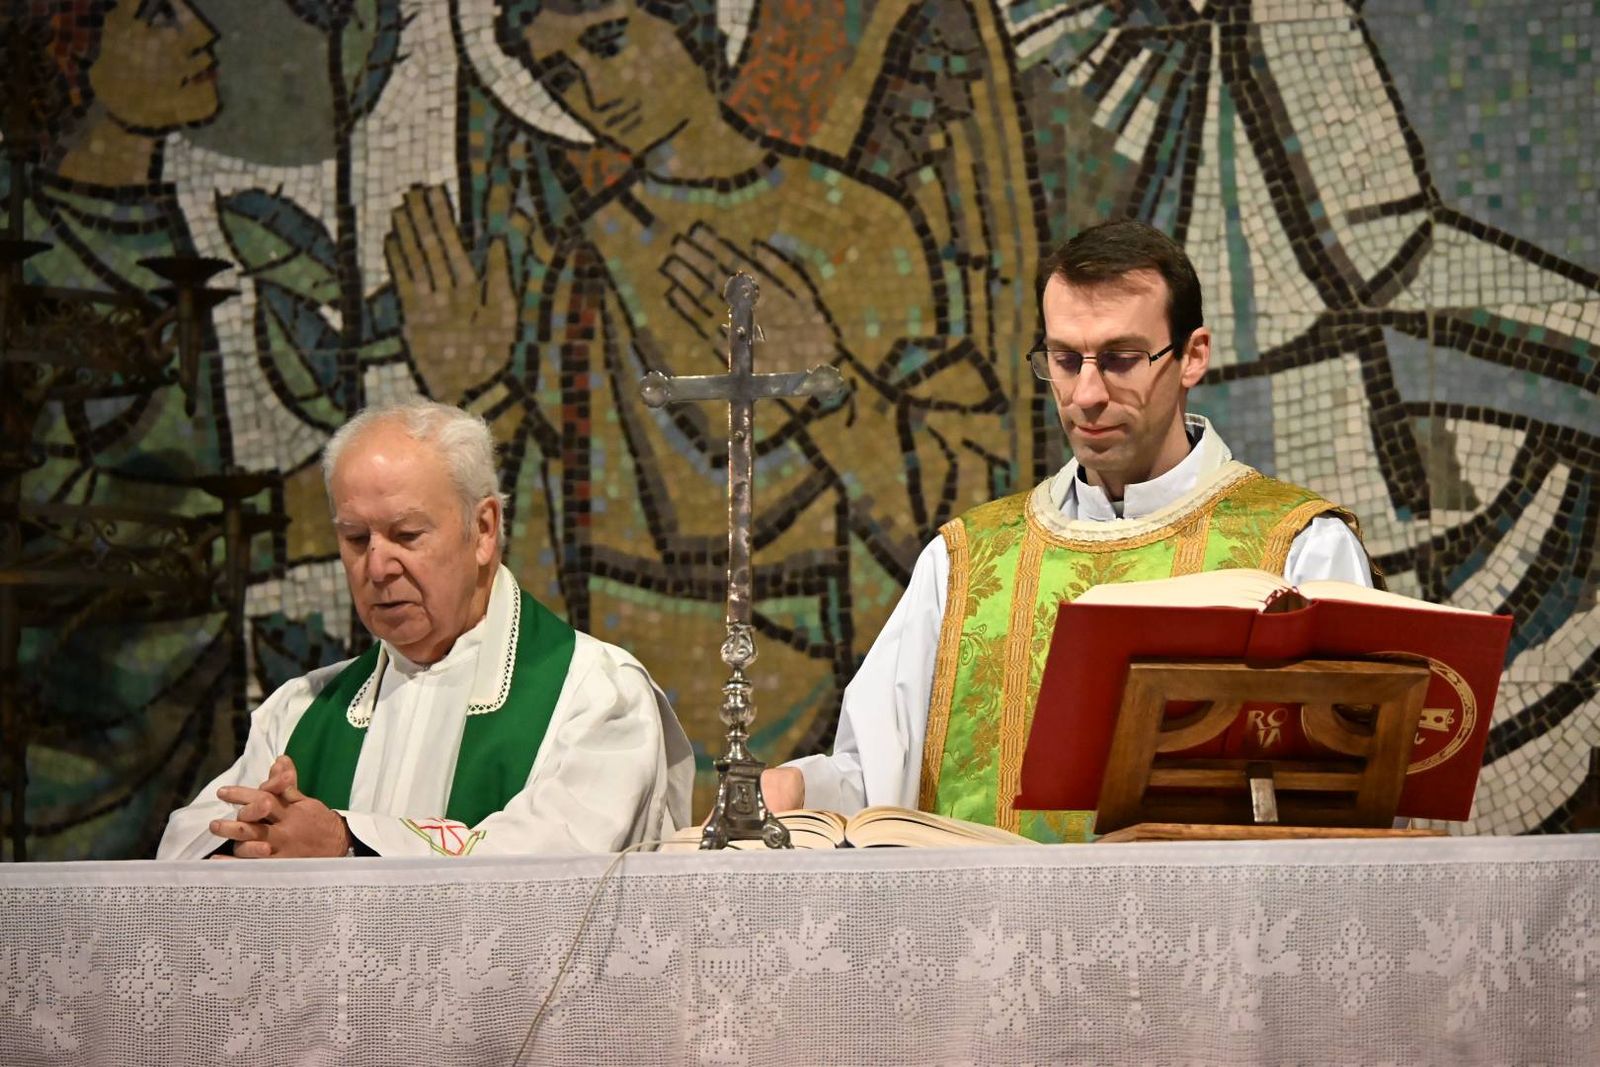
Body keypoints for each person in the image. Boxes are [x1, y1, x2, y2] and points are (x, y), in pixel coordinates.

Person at [762, 220, 1376, 840]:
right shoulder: (966, 561)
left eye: (1120, 360)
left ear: (1192, 356)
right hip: (990, 932)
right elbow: (877, 778)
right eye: (1064, 359)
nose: (1085, 394)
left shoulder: (1300, 547)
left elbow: (1357, 797)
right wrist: (800, 789)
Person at [157, 400, 692, 858]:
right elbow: (183, 843)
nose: (377, 566)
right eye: (355, 538)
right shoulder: (300, 711)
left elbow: (552, 863)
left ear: (483, 530)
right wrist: (252, 838)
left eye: (406, 534)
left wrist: (346, 841)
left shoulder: (595, 693)